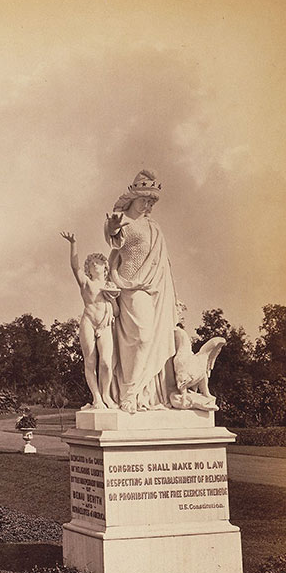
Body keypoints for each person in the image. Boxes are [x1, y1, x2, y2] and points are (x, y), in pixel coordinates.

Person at [104, 170, 178, 413]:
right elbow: (113, 237)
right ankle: (129, 393)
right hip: (130, 287)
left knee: (153, 337)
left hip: (153, 288)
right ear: (133, 197)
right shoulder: (121, 219)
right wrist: (113, 229)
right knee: (143, 337)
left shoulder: (152, 226)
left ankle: (146, 393)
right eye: (144, 199)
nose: (147, 205)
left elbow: (163, 262)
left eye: (151, 201)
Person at [63, 231, 119, 409]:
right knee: (90, 361)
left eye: (99, 262)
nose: (95, 264)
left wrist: (111, 300)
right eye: (92, 263)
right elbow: (74, 267)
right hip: (88, 322)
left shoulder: (111, 287)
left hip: (105, 325)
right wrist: (73, 244)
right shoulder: (86, 283)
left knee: (106, 363)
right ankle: (96, 398)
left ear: (105, 267)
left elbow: (117, 313)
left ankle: (106, 395)